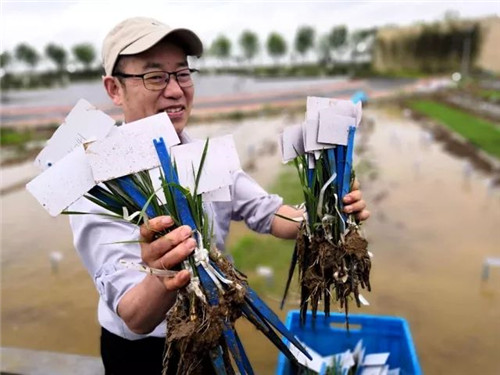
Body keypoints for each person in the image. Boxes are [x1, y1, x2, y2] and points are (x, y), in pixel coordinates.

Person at [69, 17, 370, 374]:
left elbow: (267, 212)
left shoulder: (205, 157)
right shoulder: (100, 180)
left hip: (214, 330)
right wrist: (162, 274)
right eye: (155, 76)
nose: (176, 90)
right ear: (114, 89)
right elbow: (135, 316)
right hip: (146, 355)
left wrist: (321, 217)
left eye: (182, 73)